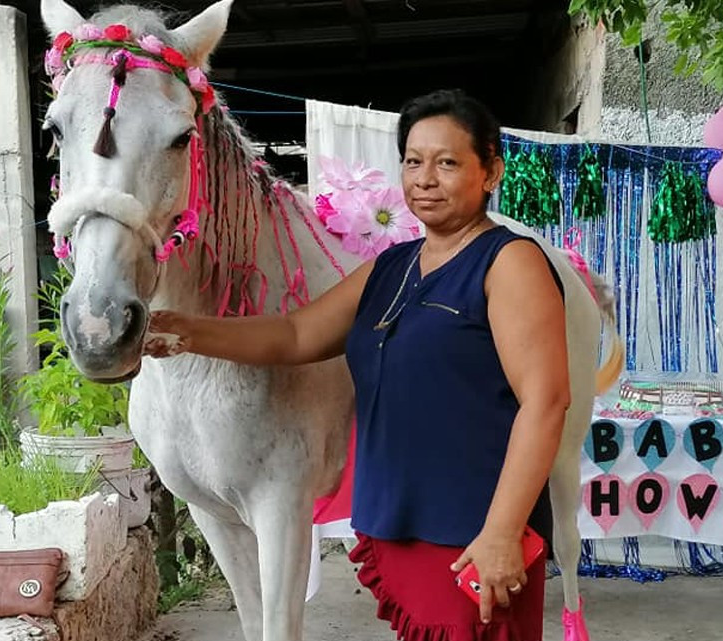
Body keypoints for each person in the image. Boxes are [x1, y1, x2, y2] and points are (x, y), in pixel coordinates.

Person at [144, 88, 570, 641]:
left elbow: (546, 403)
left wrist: (503, 532)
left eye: (447, 163)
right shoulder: (393, 267)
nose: (425, 179)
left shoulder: (508, 263)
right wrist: (188, 331)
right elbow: (296, 334)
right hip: (404, 525)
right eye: (414, 162)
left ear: (490, 171)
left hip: (474, 535)